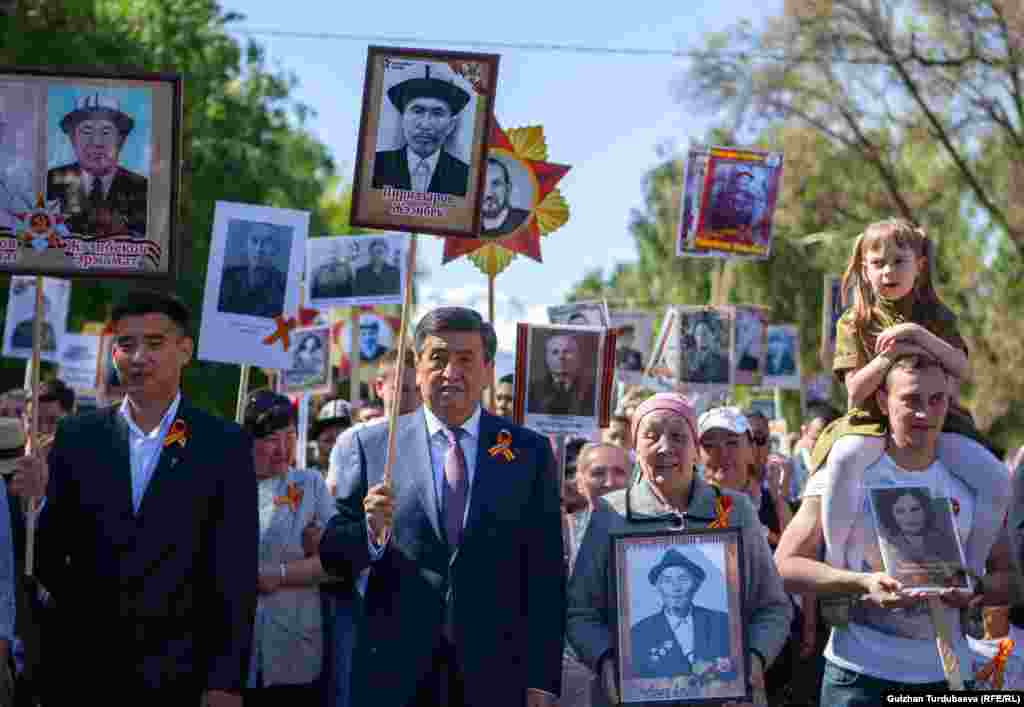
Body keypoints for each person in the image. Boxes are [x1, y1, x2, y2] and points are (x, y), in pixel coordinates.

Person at [8, 289, 258, 704]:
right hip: (85, 671)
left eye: (155, 343)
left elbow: (235, 574)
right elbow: (50, 562)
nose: (139, 356)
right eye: (126, 344)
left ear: (185, 350)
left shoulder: (223, 444)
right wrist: (35, 506)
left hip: (181, 674)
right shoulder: (79, 436)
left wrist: (225, 682)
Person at [319, 306, 565, 707]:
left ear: (487, 369)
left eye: (466, 359)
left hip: (495, 676)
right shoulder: (371, 446)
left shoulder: (528, 452)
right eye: (438, 358)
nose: (451, 371)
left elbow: (545, 575)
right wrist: (370, 533)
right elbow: (332, 550)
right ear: (416, 366)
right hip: (394, 676)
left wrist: (541, 680)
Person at [776, 353, 1013, 705]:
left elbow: (1010, 579)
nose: (925, 413)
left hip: (947, 675)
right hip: (858, 675)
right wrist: (862, 583)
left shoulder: (971, 483)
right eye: (911, 400)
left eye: (936, 400)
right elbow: (785, 565)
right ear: (883, 402)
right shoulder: (843, 477)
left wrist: (974, 588)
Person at [568, 393, 793, 707]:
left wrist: (754, 660)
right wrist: (605, 661)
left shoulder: (734, 509)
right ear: (634, 447)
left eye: (677, 436)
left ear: (695, 449)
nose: (665, 447)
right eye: (651, 436)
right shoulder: (610, 514)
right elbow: (580, 612)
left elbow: (773, 607)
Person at [806, 219, 1007, 546]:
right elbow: (856, 392)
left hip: (937, 426)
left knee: (997, 478)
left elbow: (962, 369)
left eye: (899, 261)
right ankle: (839, 560)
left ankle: (972, 569)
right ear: (864, 270)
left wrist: (916, 334)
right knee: (842, 458)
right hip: (871, 425)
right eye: (878, 263)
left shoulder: (937, 316)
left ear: (919, 266)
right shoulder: (853, 321)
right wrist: (890, 356)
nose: (888, 271)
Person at [322, 348, 419, 707]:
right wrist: (370, 528)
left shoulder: (447, 441)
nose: (413, 399)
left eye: (418, 389)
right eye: (405, 389)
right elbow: (336, 535)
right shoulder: (359, 442)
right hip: (368, 605)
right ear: (380, 387)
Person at [241, 390, 338, 706]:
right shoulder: (226, 484)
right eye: (271, 438)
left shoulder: (309, 485)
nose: (283, 449)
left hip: (293, 653)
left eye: (291, 436)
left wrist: (281, 573)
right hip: (234, 655)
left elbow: (337, 563)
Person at [45, 93, 148, 238]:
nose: (96, 142)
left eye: (106, 132)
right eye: (86, 131)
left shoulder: (143, 189)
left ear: (121, 140)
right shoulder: (50, 182)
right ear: (73, 138)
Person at [630, 548, 733, 679]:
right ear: (658, 587)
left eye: (683, 579)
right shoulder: (639, 633)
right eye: (667, 581)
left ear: (696, 585)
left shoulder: (723, 623)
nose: (676, 588)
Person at [372, 64, 471, 197]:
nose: (425, 124)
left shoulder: (466, 177)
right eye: (417, 111)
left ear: (451, 125)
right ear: (403, 119)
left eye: (437, 113)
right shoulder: (375, 167)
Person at [872, 487, 965, 587]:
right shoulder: (886, 546)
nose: (909, 517)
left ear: (924, 510)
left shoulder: (943, 541)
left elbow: (957, 579)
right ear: (891, 515)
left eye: (915, 509)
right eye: (900, 511)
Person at [218, 222, 288, 318]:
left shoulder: (284, 284)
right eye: (254, 241)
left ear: (276, 248)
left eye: (267, 242)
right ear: (246, 245)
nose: (259, 249)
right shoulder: (227, 276)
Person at [528, 333, 597, 417]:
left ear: (578, 357)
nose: (561, 357)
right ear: (547, 358)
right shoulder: (532, 390)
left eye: (567, 352)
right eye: (555, 352)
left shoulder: (594, 391)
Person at [481, 158, 530, 237]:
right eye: (481, 185)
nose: (488, 193)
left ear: (508, 188)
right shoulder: (466, 225)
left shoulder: (528, 221)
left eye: (496, 184)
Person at [311, 400, 352, 475]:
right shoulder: (306, 481)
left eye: (342, 441)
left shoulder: (368, 478)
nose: (334, 447)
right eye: (328, 440)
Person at [686, 316, 729, 384]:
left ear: (711, 335)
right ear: (694, 336)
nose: (701, 338)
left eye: (704, 334)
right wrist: (698, 351)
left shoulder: (717, 353)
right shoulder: (691, 353)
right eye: (698, 334)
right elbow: (693, 368)